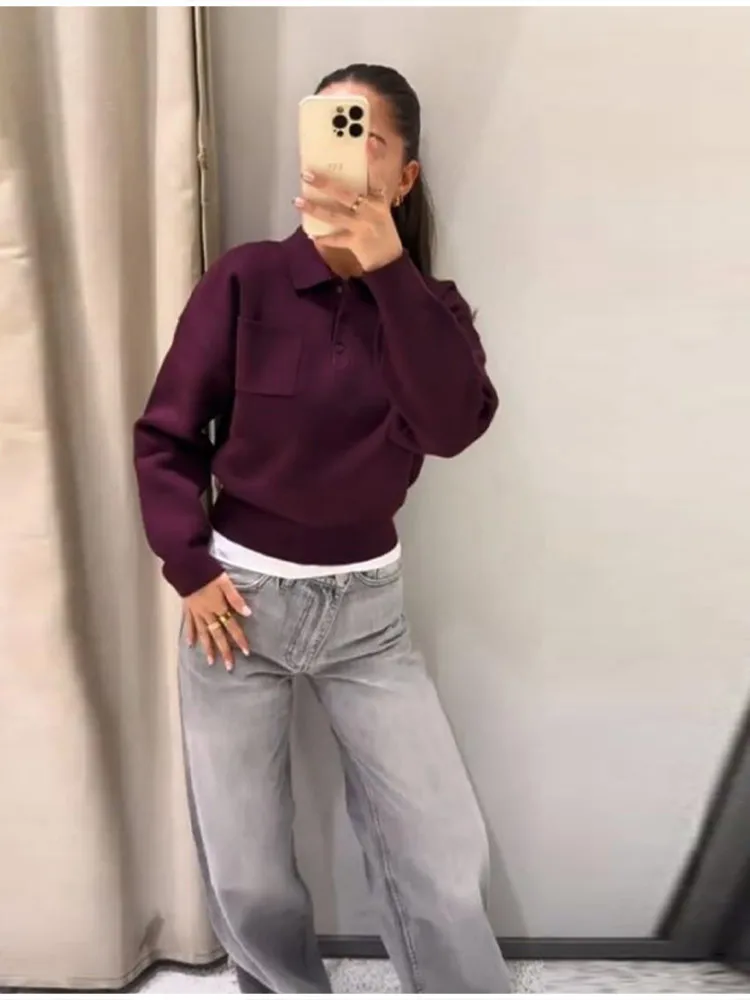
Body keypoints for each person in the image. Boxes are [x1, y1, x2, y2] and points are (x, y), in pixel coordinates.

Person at [134, 63, 511, 995]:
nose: (342, 157)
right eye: (329, 131)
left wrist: (389, 273)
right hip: (235, 608)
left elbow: (452, 427)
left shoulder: (432, 311)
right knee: (247, 863)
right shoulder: (247, 280)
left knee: (440, 851)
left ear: (404, 176)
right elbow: (168, 434)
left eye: (365, 137)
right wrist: (188, 564)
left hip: (368, 617)